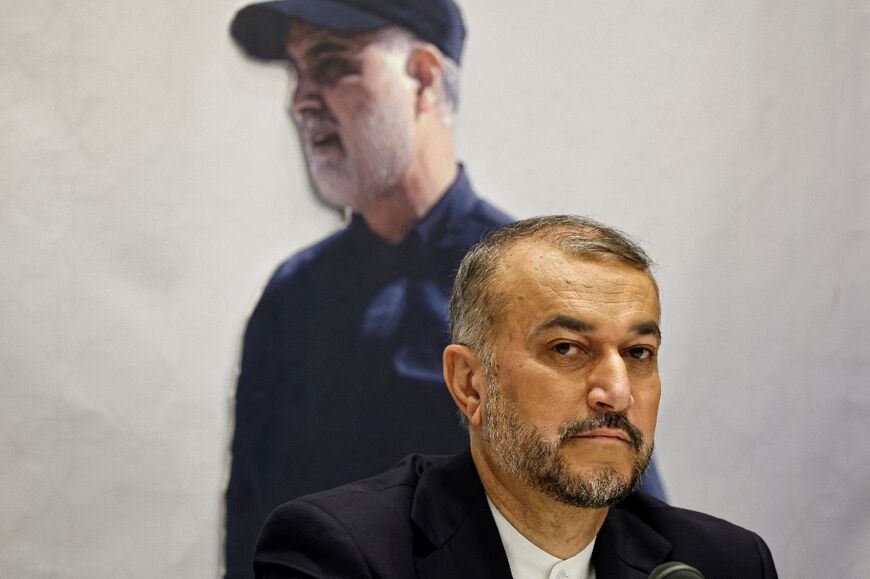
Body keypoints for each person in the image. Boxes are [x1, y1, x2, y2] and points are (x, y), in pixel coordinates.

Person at [225, 2, 664, 576]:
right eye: (297, 72)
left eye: (333, 65)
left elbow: (631, 527)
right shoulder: (292, 298)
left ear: (425, 80)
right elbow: (250, 532)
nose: (301, 100)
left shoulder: (537, 288)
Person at [253, 216, 779, 579]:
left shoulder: (721, 563)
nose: (616, 392)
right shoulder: (345, 554)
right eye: (568, 348)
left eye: (639, 353)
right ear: (469, 383)